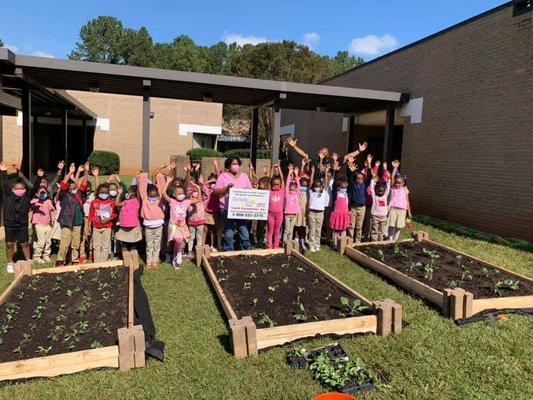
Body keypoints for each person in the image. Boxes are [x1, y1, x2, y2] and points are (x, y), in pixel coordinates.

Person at [0, 163, 42, 272]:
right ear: (12, 189)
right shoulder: (8, 196)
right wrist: (4, 172)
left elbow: (34, 189)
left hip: (22, 224)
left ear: (24, 189)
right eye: (17, 188)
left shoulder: (27, 197)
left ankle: (28, 260)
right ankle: (10, 263)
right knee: (10, 244)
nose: (19, 190)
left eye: (21, 188)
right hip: (10, 224)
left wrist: (39, 178)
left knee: (24, 243)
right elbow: (5, 184)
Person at [213, 156, 252, 251]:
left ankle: (246, 249)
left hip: (241, 209)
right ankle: (228, 250)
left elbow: (250, 190)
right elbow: (215, 192)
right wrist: (226, 189)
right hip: (226, 209)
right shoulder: (223, 176)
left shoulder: (244, 176)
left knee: (243, 229)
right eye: (233, 164)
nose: (236, 166)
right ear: (228, 166)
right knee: (229, 231)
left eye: (237, 164)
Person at [56, 163, 88, 266]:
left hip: (78, 222)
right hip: (67, 222)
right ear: (67, 189)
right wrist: (70, 172)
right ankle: (60, 260)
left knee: (76, 242)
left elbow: (84, 184)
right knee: (65, 242)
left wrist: (86, 171)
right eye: (72, 188)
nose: (74, 189)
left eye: (76, 188)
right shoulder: (64, 195)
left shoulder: (79, 195)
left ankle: (75, 259)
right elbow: (63, 185)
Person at [162, 180, 199, 269]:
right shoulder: (172, 201)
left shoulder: (186, 202)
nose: (181, 194)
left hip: (182, 226)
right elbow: (163, 193)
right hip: (173, 225)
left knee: (180, 241)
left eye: (182, 193)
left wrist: (198, 188)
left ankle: (176, 256)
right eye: (178, 193)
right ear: (174, 194)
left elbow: (198, 199)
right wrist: (168, 182)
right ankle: (177, 254)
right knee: (178, 240)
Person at [138, 171, 166, 269]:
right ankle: (149, 261)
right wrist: (143, 175)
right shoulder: (145, 199)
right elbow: (142, 188)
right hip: (148, 227)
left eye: (155, 195)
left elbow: (162, 188)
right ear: (147, 195)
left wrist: (159, 176)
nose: (153, 197)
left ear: (157, 195)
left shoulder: (160, 199)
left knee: (157, 244)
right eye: (151, 195)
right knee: (149, 245)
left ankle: (155, 261)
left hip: (159, 226)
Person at [89, 183, 118, 262]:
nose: (103, 194)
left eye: (105, 193)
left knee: (105, 245)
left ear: (108, 193)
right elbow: (91, 215)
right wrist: (89, 226)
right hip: (96, 227)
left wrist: (108, 219)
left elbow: (115, 214)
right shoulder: (93, 202)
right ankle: (96, 262)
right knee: (96, 246)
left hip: (107, 227)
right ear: (98, 192)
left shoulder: (111, 203)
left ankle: (103, 262)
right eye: (102, 192)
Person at [29, 186, 56, 263]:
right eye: (41, 193)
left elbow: (52, 211)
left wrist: (52, 221)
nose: (42, 194)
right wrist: (38, 200)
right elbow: (31, 205)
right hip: (38, 224)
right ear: (37, 194)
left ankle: (46, 255)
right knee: (41, 241)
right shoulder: (34, 201)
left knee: (48, 241)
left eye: (44, 193)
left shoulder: (48, 201)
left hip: (48, 224)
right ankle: (37, 256)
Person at [387, 160, 412, 240]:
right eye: (396, 182)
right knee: (391, 225)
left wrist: (409, 211)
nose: (397, 184)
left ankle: (395, 240)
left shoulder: (405, 189)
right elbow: (392, 176)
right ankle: (390, 240)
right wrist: (395, 168)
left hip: (402, 210)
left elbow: (407, 201)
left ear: (403, 183)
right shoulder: (393, 188)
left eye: (399, 183)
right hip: (393, 209)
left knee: (398, 226)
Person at [115, 185, 142, 256]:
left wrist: (138, 182)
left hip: (134, 227)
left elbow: (139, 194)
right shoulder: (125, 202)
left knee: (133, 245)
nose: (128, 194)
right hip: (124, 227)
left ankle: (134, 262)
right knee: (124, 245)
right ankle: (126, 262)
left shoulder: (136, 201)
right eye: (128, 192)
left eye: (131, 193)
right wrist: (119, 193)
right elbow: (117, 204)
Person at [307, 166, 329, 252]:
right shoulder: (311, 192)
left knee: (318, 229)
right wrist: (312, 172)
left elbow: (326, 182)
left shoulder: (323, 192)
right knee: (312, 229)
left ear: (321, 186)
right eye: (316, 186)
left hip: (320, 213)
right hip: (312, 212)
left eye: (319, 186)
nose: (317, 187)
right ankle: (311, 245)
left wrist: (326, 173)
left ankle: (317, 244)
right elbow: (311, 182)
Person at [369, 168, 391, 241]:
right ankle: (373, 242)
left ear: (384, 192)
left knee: (382, 231)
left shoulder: (385, 196)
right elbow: (372, 188)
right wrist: (372, 179)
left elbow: (388, 187)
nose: (380, 192)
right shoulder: (374, 196)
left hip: (383, 216)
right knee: (374, 230)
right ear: (376, 191)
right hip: (375, 216)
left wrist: (388, 179)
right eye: (379, 191)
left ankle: (380, 242)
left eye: (382, 191)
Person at [329, 177, 351, 247]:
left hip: (344, 215)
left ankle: (342, 243)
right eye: (343, 187)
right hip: (337, 215)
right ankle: (335, 243)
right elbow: (334, 186)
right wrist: (337, 173)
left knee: (343, 230)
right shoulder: (336, 195)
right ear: (338, 188)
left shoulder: (346, 195)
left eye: (345, 188)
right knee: (336, 230)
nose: (344, 189)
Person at [266, 166, 284, 249]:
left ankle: (276, 246)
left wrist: (280, 169)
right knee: (270, 231)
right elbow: (269, 180)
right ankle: (269, 246)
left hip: (279, 214)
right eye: (274, 184)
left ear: (280, 185)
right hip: (270, 214)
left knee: (277, 231)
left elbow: (282, 179)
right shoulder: (270, 191)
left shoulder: (282, 191)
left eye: (277, 184)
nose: (275, 186)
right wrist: (271, 169)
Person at [283, 165, 300, 242]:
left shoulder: (297, 193)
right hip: (287, 214)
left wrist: (296, 174)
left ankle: (289, 243)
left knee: (291, 230)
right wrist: (289, 174)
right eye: (291, 186)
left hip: (294, 214)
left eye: (294, 186)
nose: (293, 187)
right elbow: (286, 184)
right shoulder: (287, 193)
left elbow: (299, 185)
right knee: (286, 229)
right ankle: (284, 242)